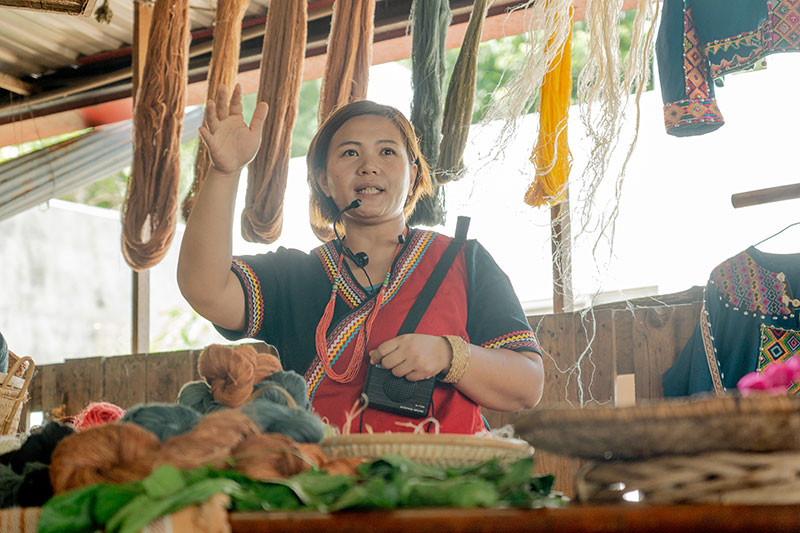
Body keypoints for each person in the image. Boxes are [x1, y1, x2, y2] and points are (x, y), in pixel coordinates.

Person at [178, 84, 544, 434]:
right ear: (323, 179)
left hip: (447, 482)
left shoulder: (464, 260)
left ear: (413, 173)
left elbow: (527, 385)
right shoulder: (294, 276)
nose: (369, 165)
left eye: (387, 151)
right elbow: (205, 289)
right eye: (349, 152)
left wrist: (450, 355)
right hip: (324, 483)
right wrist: (225, 173)